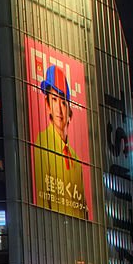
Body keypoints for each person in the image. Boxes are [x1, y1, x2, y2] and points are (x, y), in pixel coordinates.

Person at [32, 65, 88, 219]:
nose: (59, 109)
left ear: (69, 109)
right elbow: (41, 203)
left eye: (63, 102)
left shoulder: (75, 159)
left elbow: (84, 209)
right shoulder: (42, 143)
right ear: (48, 105)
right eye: (54, 100)